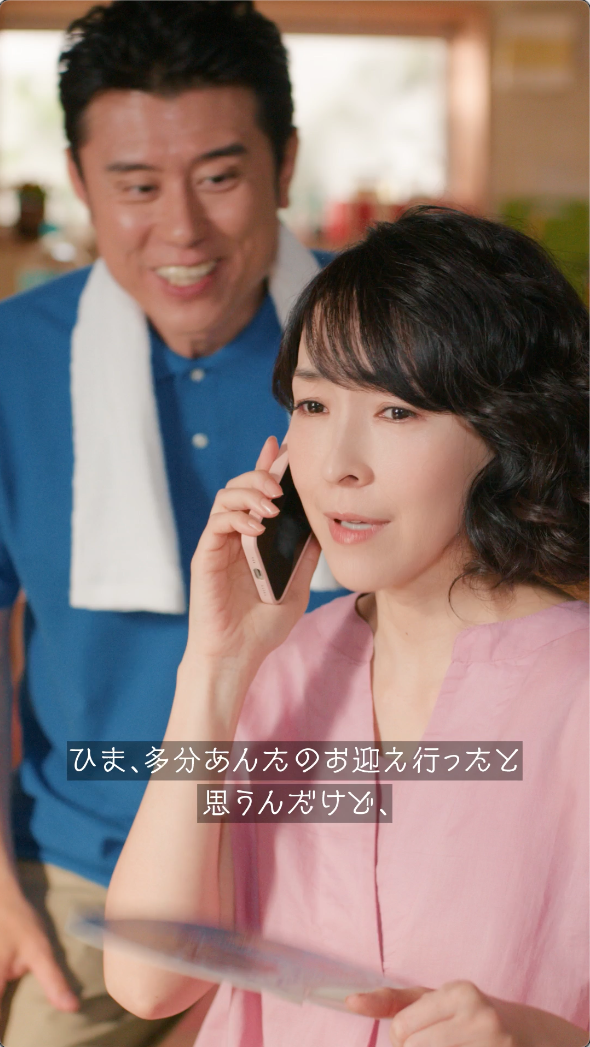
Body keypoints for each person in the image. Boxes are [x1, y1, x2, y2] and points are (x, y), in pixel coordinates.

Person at [104, 207, 588, 1047]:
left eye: (397, 411)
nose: (337, 465)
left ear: (508, 426)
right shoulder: (284, 664)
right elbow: (149, 979)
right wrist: (215, 668)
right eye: (314, 404)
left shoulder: (573, 691)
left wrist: (541, 1037)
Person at [0, 3, 344, 1045]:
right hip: (92, 868)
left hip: (340, 857)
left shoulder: (387, 345)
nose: (182, 230)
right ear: (79, 179)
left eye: (220, 176)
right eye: (138, 186)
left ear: (284, 166)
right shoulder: (14, 358)